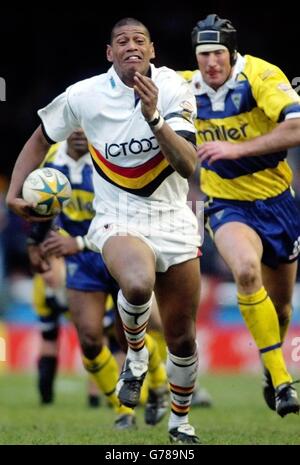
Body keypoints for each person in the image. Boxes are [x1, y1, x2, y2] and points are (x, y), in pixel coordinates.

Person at [6, 18, 201, 444]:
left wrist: (154, 117)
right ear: (109, 53)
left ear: (152, 51)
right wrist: (15, 191)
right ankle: (134, 358)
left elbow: (188, 165)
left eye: (139, 41)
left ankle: (180, 423)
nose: (131, 46)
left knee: (181, 335)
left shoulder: (174, 89)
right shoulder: (84, 95)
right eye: (121, 41)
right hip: (118, 218)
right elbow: (41, 136)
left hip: (173, 218)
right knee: (135, 283)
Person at [182, 13, 300, 417]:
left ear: (232, 53)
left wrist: (237, 149)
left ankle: (271, 367)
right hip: (225, 204)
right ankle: (283, 381)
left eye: (217, 53)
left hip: (278, 202)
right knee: (246, 272)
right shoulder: (182, 86)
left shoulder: (262, 76)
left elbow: (297, 126)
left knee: (282, 308)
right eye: (203, 54)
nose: (210, 61)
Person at [27, 129, 169, 428]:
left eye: (85, 125)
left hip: (119, 251)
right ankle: (123, 409)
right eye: (73, 126)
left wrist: (77, 242)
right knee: (90, 341)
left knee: (130, 335)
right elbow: (45, 208)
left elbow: (131, 213)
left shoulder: (110, 160)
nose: (79, 133)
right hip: (81, 261)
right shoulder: (51, 163)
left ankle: (156, 384)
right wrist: (34, 242)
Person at [32, 254, 101, 407]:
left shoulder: (82, 280)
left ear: (62, 260)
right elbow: (48, 337)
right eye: (42, 269)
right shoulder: (40, 287)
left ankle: (96, 397)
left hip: (89, 297)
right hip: (61, 299)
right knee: (49, 339)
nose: (47, 275)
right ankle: (46, 397)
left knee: (94, 341)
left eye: (49, 267)